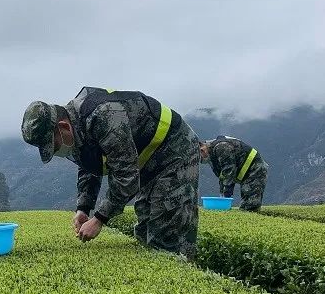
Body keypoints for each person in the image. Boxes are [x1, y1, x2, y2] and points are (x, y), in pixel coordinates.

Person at [22, 87, 200, 259]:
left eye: (55, 145)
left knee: (168, 226)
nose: (56, 151)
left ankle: (181, 270)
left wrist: (99, 219)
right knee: (145, 222)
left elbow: (126, 176)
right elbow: (88, 166)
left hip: (175, 149)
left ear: (63, 126)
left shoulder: (105, 115)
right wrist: (83, 208)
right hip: (146, 158)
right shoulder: (75, 126)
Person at [198, 136, 268, 211]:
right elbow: (223, 176)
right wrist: (222, 196)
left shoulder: (221, 147)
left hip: (255, 169)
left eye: (199, 158)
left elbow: (229, 171)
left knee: (250, 206)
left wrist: (225, 196)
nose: (200, 161)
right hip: (245, 173)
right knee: (246, 206)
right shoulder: (212, 154)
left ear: (202, 149)